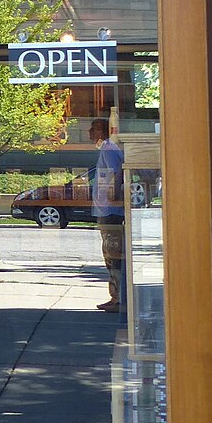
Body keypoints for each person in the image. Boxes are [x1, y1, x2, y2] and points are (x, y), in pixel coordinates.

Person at [90, 117, 126, 312]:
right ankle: (115, 296)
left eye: (92, 129)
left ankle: (118, 298)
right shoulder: (106, 148)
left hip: (110, 211)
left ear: (99, 130)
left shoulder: (110, 150)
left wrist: (113, 194)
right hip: (106, 209)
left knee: (113, 255)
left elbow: (116, 171)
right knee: (110, 254)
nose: (88, 132)